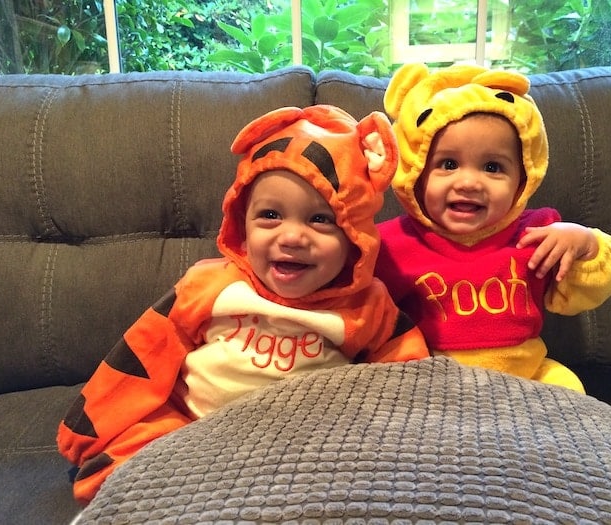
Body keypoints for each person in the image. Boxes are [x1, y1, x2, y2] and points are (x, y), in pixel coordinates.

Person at [57, 104, 430, 504]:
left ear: (354, 234)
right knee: (147, 447)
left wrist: (409, 441)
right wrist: (91, 423)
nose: (291, 237)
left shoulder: (366, 306)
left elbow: (406, 372)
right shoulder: (211, 284)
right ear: (242, 222)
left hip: (305, 444)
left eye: (321, 220)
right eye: (270, 215)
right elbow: (146, 350)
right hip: (193, 425)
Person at [376, 64, 611, 393]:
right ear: (415, 174)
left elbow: (580, 295)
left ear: (523, 178)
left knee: (571, 392)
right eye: (447, 164)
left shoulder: (540, 234)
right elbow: (354, 300)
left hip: (527, 377)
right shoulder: (393, 244)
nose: (468, 182)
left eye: (492, 167)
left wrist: (586, 244)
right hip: (432, 381)